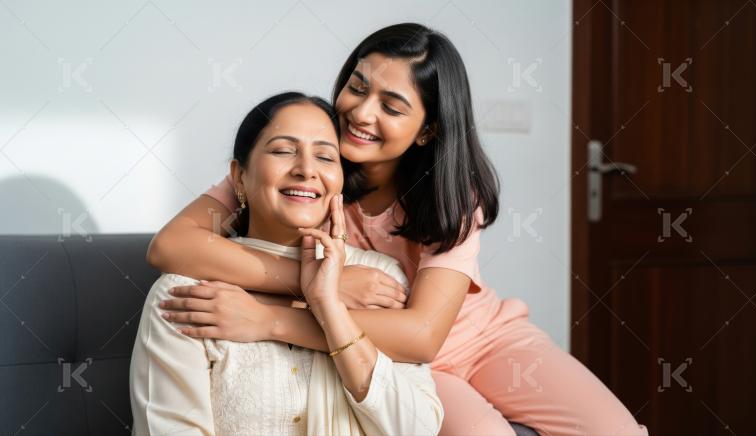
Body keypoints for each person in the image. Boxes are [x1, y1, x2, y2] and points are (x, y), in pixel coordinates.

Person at [152, 24, 648, 435]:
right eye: (357, 86)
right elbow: (171, 245)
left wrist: (270, 320)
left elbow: (424, 333)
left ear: (427, 130)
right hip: (396, 361)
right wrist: (311, 279)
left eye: (391, 107)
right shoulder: (305, 163)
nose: (362, 113)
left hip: (481, 338)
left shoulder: (451, 193)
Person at [129, 92, 443, 435]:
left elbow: (418, 429)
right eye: (282, 150)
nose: (306, 170)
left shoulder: (378, 280)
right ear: (238, 178)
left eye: (325, 156)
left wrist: (329, 304)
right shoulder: (184, 295)